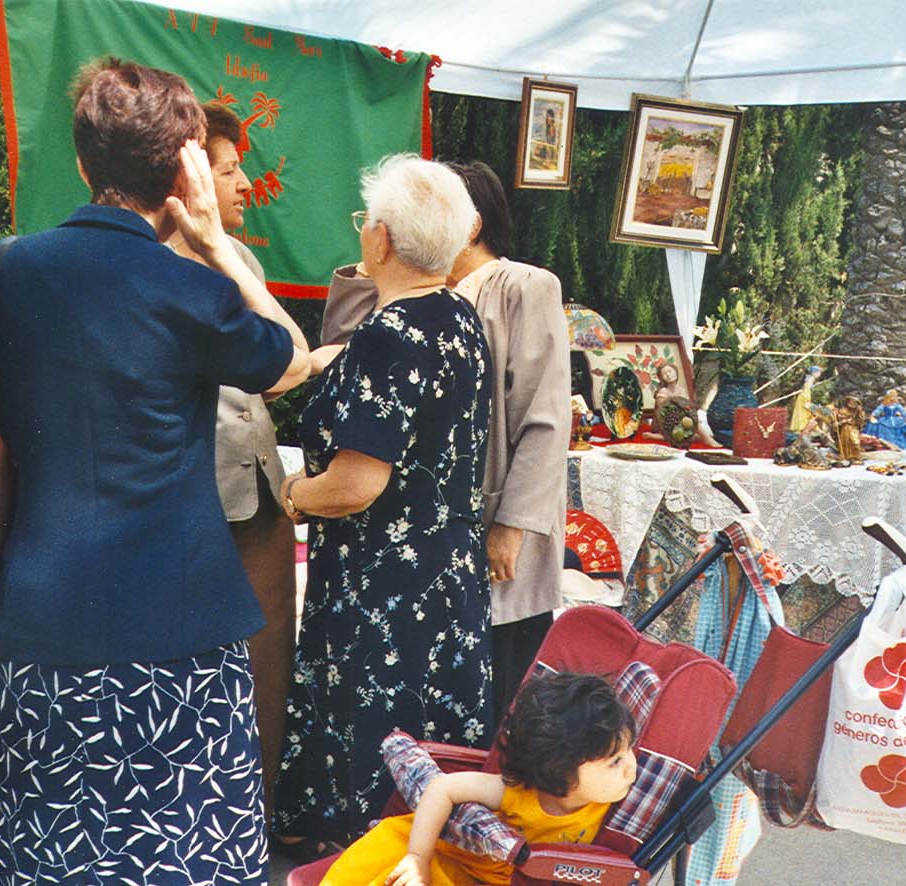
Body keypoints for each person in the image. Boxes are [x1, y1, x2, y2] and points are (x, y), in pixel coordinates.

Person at [0, 58, 309, 883]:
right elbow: (290, 359)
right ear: (184, 170)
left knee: (48, 849)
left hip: (44, 605)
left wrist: (21, 550)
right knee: (183, 848)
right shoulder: (191, 286)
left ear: (84, 162)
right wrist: (216, 243)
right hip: (180, 621)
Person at [273, 154, 492, 850]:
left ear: (383, 239)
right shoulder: (459, 316)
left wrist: (296, 495)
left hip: (385, 588)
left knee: (378, 760)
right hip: (447, 575)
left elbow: (356, 484)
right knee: (431, 754)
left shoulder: (389, 335)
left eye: (365, 222)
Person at [320, 160, 570, 723]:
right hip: (425, 538)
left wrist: (512, 527)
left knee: (495, 690)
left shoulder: (525, 286)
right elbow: (342, 352)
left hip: (499, 530)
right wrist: (372, 259)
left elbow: (546, 420)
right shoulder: (413, 294)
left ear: (471, 223)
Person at [165, 100, 295, 819]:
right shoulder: (150, 265)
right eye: (228, 169)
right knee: (195, 667)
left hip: (262, 498)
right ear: (187, 179)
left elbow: (279, 368)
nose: (245, 183)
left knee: (268, 661)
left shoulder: (240, 259)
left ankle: (259, 816)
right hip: (190, 501)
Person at [319, 672, 637, 886]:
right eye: (615, 761)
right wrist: (418, 857)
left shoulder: (612, 808)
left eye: (629, 750)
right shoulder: (517, 792)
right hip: (446, 854)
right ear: (560, 770)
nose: (631, 768)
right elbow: (442, 788)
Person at [788, 365, 823, 433]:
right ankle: (802, 428)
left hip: (803, 397)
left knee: (804, 413)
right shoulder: (810, 379)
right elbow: (806, 388)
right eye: (818, 373)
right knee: (803, 414)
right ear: (814, 373)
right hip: (804, 398)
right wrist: (807, 402)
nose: (819, 374)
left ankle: (802, 428)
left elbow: (808, 386)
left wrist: (814, 385)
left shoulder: (810, 379)